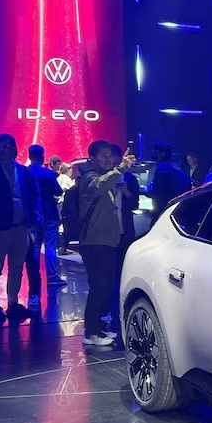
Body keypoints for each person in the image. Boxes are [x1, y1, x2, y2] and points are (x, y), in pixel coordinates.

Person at [0, 134, 41, 318]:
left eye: (6, 146)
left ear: (14, 149)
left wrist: (34, 223)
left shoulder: (24, 171)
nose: (2, 150)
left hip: (21, 227)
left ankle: (13, 303)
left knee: (17, 267)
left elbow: (32, 198)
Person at [78, 140, 135, 346]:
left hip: (107, 240)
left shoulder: (105, 176)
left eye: (110, 155)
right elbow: (98, 186)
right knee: (99, 287)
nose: (108, 159)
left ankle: (98, 328)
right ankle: (91, 333)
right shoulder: (89, 176)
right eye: (103, 155)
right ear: (92, 158)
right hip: (94, 240)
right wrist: (121, 169)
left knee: (105, 286)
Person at [24, 145, 67, 304]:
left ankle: (35, 278)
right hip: (49, 213)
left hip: (33, 216)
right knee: (50, 247)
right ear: (42, 156)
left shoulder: (25, 172)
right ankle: (52, 277)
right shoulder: (47, 173)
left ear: (30, 156)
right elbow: (58, 191)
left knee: (35, 248)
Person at [150, 141, 191, 216]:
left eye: (155, 151)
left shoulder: (162, 168)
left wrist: (151, 192)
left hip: (164, 210)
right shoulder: (175, 167)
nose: (152, 153)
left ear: (163, 153)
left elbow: (159, 193)